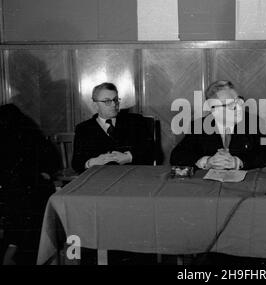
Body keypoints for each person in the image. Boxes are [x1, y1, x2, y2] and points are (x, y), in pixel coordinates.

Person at [170, 80, 266, 170]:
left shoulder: (255, 123)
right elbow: (177, 156)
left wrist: (238, 162)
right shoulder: (198, 126)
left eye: (239, 101)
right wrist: (207, 161)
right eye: (231, 104)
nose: (239, 107)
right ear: (214, 110)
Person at [0, 104, 59, 265]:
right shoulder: (24, 127)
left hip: (21, 188)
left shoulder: (15, 129)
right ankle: (15, 247)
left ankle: (14, 246)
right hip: (28, 188)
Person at [72, 82, 154, 173]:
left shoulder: (136, 121)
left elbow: (154, 152)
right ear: (95, 105)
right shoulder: (83, 129)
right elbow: (76, 163)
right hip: (99, 179)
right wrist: (92, 162)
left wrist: (129, 157)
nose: (114, 104)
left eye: (115, 100)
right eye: (107, 101)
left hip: (132, 177)